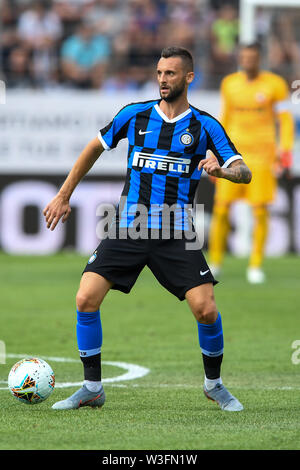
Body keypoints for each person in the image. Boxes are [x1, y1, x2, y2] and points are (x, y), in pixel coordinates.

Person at [43, 46, 251, 412]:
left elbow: (244, 172)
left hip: (175, 231)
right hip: (128, 227)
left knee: (205, 308)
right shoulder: (134, 115)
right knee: (85, 298)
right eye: (159, 73)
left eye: (170, 74)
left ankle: (214, 385)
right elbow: (94, 146)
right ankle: (92, 388)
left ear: (189, 77)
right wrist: (63, 195)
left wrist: (221, 172)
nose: (162, 80)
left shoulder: (205, 125)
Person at [208, 42, 294, 284]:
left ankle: (255, 264)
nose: (248, 61)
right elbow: (223, 119)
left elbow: (285, 120)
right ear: (240, 59)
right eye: (244, 57)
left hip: (263, 157)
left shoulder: (274, 84)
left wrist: (285, 151)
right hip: (232, 156)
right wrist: (214, 152)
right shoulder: (229, 84)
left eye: (252, 57)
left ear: (259, 58)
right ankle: (215, 262)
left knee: (260, 211)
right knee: (222, 208)